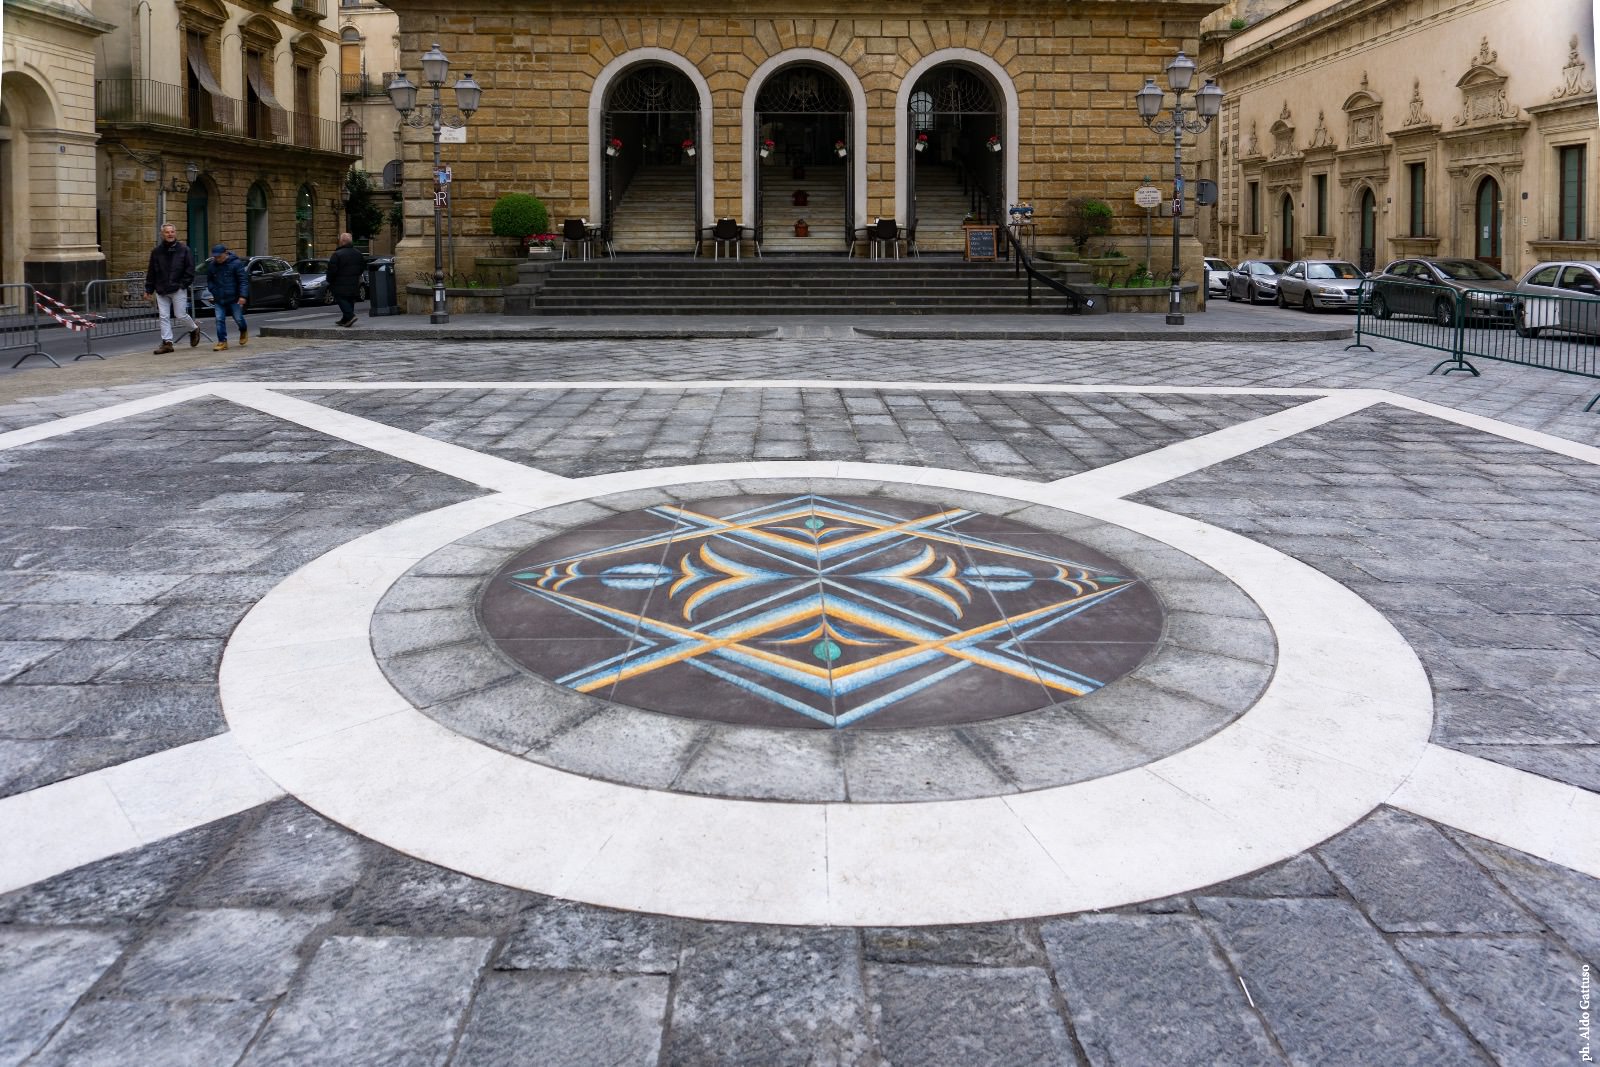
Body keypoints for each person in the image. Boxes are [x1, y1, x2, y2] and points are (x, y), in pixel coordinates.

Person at [144, 222, 199, 353]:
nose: (170, 234)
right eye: (167, 232)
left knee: (180, 314)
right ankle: (167, 343)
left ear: (175, 233)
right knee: (163, 316)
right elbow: (151, 271)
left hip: (178, 287)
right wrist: (148, 289)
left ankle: (194, 328)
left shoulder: (184, 249)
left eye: (172, 232)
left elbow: (190, 269)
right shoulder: (156, 252)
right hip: (161, 288)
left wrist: (183, 284)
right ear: (162, 234)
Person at [205, 244, 250, 351]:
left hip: (234, 297)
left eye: (219, 256)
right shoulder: (212, 265)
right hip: (219, 297)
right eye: (215, 257)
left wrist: (243, 296)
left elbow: (243, 281)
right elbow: (210, 280)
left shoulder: (236, 264)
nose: (217, 259)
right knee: (219, 319)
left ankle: (243, 330)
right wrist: (213, 291)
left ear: (225, 253)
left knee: (238, 318)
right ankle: (222, 341)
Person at [324, 232, 366, 327]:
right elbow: (362, 267)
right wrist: (356, 275)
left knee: (341, 298)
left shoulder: (337, 254)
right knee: (350, 299)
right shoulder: (358, 253)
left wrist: (329, 279)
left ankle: (350, 316)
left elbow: (332, 270)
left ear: (342, 241)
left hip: (340, 281)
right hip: (354, 280)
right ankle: (345, 319)